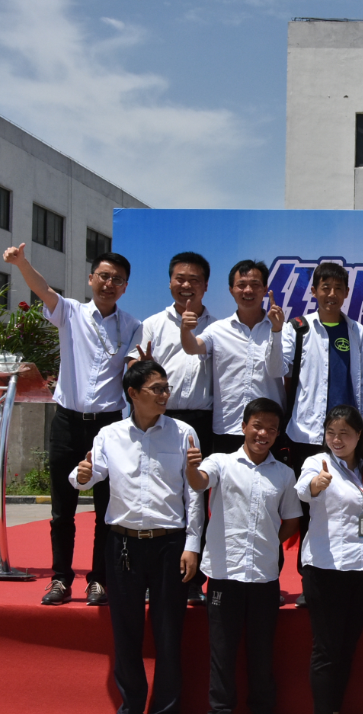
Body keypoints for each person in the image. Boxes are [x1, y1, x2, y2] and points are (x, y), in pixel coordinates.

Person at [69, 360, 202, 714]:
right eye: (156, 388)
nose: (164, 395)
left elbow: (194, 492)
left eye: (166, 388)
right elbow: (90, 475)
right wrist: (80, 476)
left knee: (168, 631)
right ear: (132, 393)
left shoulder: (183, 432)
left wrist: (193, 544)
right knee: (125, 632)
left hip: (169, 544)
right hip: (123, 543)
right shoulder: (110, 435)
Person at [4, 242, 143, 607]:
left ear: (125, 287)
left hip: (108, 428)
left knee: (105, 511)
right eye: (104, 276)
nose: (109, 284)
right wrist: (22, 263)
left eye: (117, 279)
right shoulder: (70, 312)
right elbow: (43, 290)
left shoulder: (132, 326)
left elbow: (134, 368)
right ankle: (60, 579)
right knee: (62, 510)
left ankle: (99, 580)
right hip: (67, 422)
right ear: (91, 278)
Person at [186, 398, 301, 714]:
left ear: (278, 434)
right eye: (257, 426)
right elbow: (199, 482)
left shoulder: (284, 474)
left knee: (261, 651)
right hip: (224, 574)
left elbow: (291, 520)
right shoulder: (221, 462)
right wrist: (190, 468)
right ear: (244, 426)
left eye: (271, 428)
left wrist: (268, 543)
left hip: (264, 576)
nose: (263, 434)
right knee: (222, 651)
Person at [281, 262, 363, 608]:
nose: (331, 294)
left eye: (338, 288)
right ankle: (311, 581)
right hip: (307, 433)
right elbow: (277, 369)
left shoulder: (358, 333)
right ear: (314, 291)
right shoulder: (298, 329)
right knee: (309, 507)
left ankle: (350, 575)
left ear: (347, 292)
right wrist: (275, 333)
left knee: (352, 504)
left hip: (348, 436)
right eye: (325, 287)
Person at [294, 405, 363, 714]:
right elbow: (304, 489)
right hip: (325, 568)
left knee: (346, 648)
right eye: (331, 432)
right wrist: (316, 485)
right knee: (327, 647)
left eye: (344, 433)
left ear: (360, 435)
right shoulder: (318, 462)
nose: (337, 439)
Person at [135, 251, 217, 606]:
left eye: (194, 280)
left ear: (206, 286)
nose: (186, 285)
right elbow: (136, 370)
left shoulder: (217, 327)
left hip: (203, 421)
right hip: (162, 420)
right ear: (169, 282)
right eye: (180, 278)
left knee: (199, 499)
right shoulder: (152, 324)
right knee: (162, 497)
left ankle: (195, 579)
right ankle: (156, 578)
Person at [181, 260, 288, 455]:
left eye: (255, 284)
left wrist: (276, 331)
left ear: (265, 289)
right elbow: (193, 348)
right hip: (228, 425)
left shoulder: (283, 329)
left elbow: (276, 370)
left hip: (269, 430)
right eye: (241, 285)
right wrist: (185, 331)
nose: (248, 290)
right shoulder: (217, 329)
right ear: (231, 290)